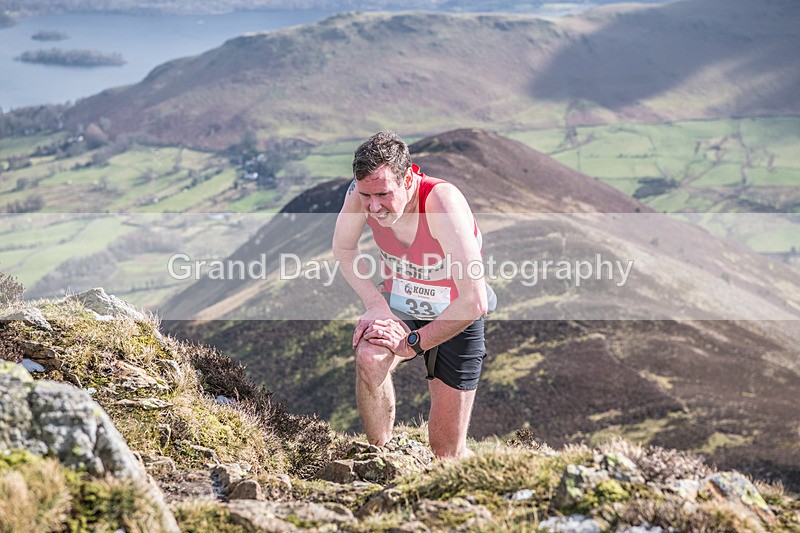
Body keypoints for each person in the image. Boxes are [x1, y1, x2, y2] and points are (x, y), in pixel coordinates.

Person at [332, 130, 494, 459]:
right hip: (400, 301)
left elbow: (474, 301)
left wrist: (411, 344)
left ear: (408, 179)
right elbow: (344, 249)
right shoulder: (359, 194)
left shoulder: (442, 204)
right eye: (366, 195)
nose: (373, 206)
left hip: (455, 313)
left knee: (446, 451)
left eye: (383, 194)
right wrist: (376, 305)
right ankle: (380, 459)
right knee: (369, 357)